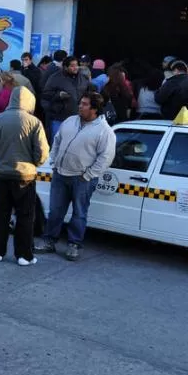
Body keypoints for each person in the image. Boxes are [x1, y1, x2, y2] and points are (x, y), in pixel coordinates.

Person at [34, 92, 116, 261]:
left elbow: (105, 157)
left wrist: (88, 175)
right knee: (55, 211)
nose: (80, 106)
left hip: (82, 179)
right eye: (81, 103)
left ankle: (74, 245)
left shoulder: (104, 131)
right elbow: (57, 140)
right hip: (60, 175)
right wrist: (54, 162)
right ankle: (49, 241)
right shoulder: (71, 121)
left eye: (85, 104)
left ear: (94, 109)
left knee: (79, 213)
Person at [0, 86, 49, 266]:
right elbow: (42, 152)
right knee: (26, 217)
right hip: (25, 176)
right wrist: (33, 163)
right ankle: (24, 255)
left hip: (3, 174)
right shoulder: (34, 122)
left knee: (1, 214)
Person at [42, 55, 89, 136]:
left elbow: (88, 93)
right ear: (65, 67)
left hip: (77, 118)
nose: (76, 68)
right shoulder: (55, 78)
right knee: (56, 142)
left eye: (77, 65)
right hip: (59, 118)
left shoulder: (83, 79)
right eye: (72, 66)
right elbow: (46, 95)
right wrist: (58, 95)